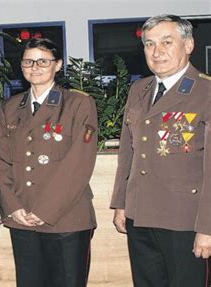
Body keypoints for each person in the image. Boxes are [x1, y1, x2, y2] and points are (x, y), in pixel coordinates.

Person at [110, 14, 211, 286]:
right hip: (139, 215)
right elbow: (128, 154)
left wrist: (207, 228)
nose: (157, 51)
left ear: (188, 45)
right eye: (150, 44)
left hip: (184, 221)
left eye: (167, 41)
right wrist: (121, 204)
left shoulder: (205, 92)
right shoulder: (139, 89)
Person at [0, 38, 97, 286]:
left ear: (58, 65)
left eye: (43, 61)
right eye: (28, 61)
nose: (35, 66)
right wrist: (13, 205)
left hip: (67, 217)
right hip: (22, 218)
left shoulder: (78, 104)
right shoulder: (9, 107)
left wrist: (45, 211)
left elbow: (79, 164)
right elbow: (0, 159)